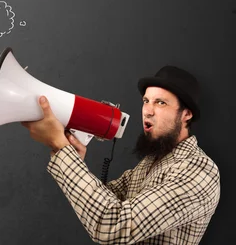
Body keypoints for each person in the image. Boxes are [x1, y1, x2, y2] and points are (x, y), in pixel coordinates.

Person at [21, 65, 220, 244]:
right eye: (146, 101)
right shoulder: (151, 162)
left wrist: (62, 148)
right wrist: (73, 158)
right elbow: (105, 200)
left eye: (161, 103)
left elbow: (112, 225)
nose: (147, 111)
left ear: (186, 114)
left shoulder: (198, 171)